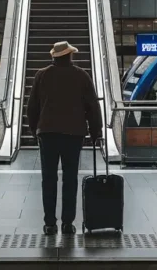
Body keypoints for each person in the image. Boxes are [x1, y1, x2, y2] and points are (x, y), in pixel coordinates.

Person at [26, 41, 102, 236]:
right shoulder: (81, 75)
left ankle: (50, 223)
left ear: (54, 57)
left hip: (48, 134)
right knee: (70, 179)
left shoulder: (41, 75)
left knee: (48, 179)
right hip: (73, 134)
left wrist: (35, 130)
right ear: (70, 56)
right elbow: (92, 106)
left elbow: (32, 107)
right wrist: (96, 133)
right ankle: (68, 223)